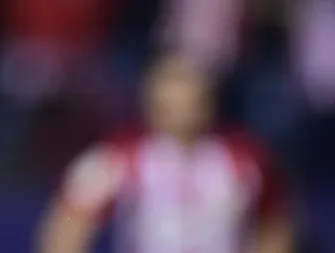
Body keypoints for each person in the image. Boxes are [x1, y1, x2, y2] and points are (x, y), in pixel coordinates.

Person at [37, 55, 293, 253]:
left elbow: (274, 224)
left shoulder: (245, 157)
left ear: (208, 101)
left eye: (189, 102)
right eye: (167, 106)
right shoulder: (119, 155)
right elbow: (69, 220)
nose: (179, 113)